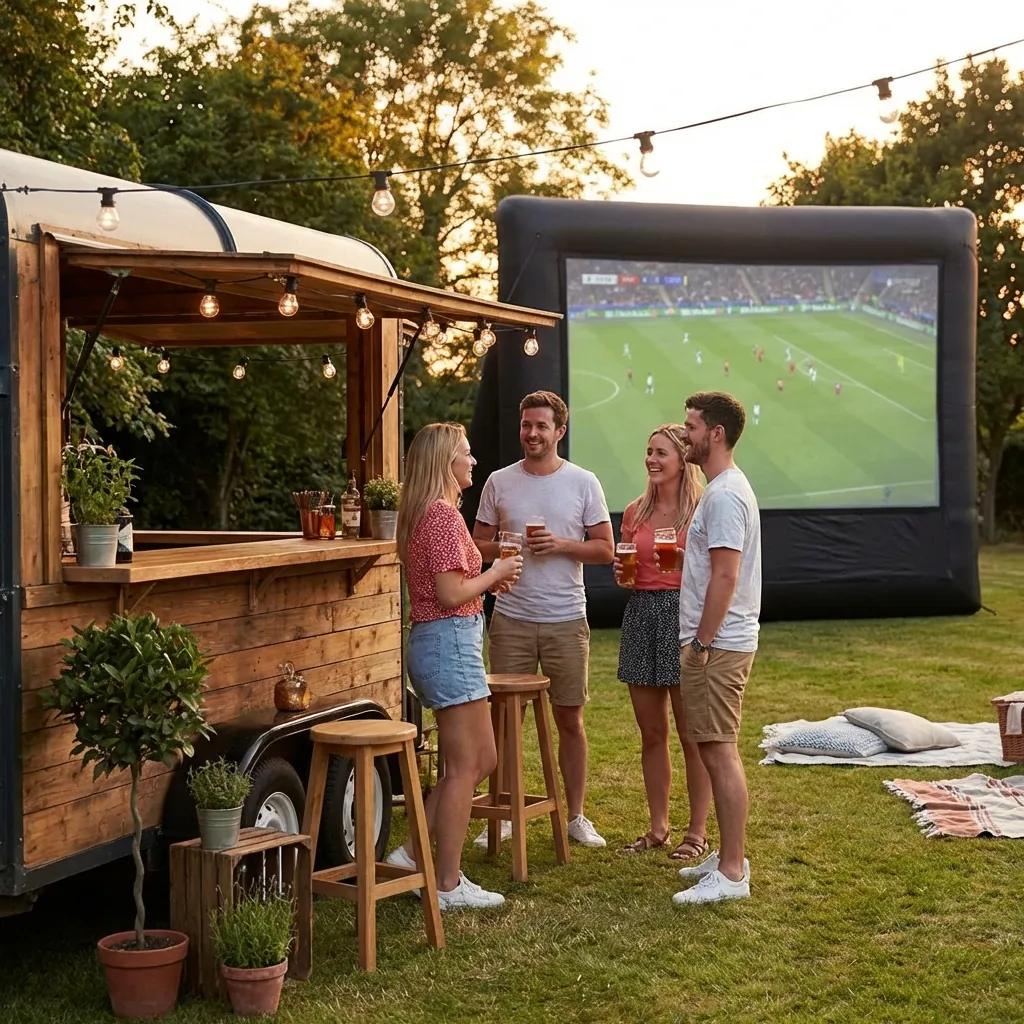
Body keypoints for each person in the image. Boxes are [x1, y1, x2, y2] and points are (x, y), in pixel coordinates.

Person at [387, 422, 523, 911]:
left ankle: (411, 853)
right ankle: (445, 884)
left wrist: (485, 582)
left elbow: (455, 587)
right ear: (446, 462)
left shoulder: (430, 513)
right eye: (467, 453)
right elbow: (448, 594)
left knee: (479, 760)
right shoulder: (442, 516)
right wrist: (495, 571)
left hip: (448, 642)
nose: (473, 460)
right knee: (467, 766)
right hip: (448, 643)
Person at [473, 391, 615, 849]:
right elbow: (476, 545)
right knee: (504, 722)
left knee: (569, 719)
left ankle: (576, 816)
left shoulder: (583, 482)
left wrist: (560, 545)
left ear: (560, 431)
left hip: (566, 618)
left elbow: (606, 549)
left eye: (541, 426)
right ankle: (505, 813)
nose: (531, 433)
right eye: (526, 425)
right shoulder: (498, 481)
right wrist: (504, 546)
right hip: (511, 618)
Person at [672, 391, 761, 906]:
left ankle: (731, 872)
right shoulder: (721, 489)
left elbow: (725, 576)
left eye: (691, 427)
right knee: (712, 747)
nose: (685, 434)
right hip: (718, 642)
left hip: (718, 645)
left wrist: (701, 644)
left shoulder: (725, 495)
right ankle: (729, 857)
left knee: (719, 750)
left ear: (716, 433)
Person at [614, 425, 711, 863]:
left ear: (682, 461)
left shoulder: (703, 508)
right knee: (652, 733)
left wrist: (685, 565)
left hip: (684, 615)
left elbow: (716, 569)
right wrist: (623, 574)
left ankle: (697, 832)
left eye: (661, 453)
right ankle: (658, 828)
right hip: (641, 613)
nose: (652, 460)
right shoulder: (636, 511)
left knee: (692, 735)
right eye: (649, 452)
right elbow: (627, 570)